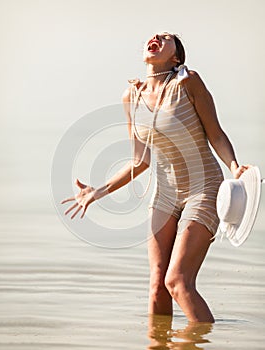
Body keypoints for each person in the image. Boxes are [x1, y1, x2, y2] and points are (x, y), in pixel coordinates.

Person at [61, 32, 250, 323]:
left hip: (204, 186)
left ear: (176, 56)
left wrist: (234, 166)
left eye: (167, 37)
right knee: (157, 286)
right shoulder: (131, 96)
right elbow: (140, 161)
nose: (157, 37)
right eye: (155, 35)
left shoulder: (187, 82)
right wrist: (97, 192)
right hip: (164, 193)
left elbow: (216, 134)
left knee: (177, 282)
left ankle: (204, 341)